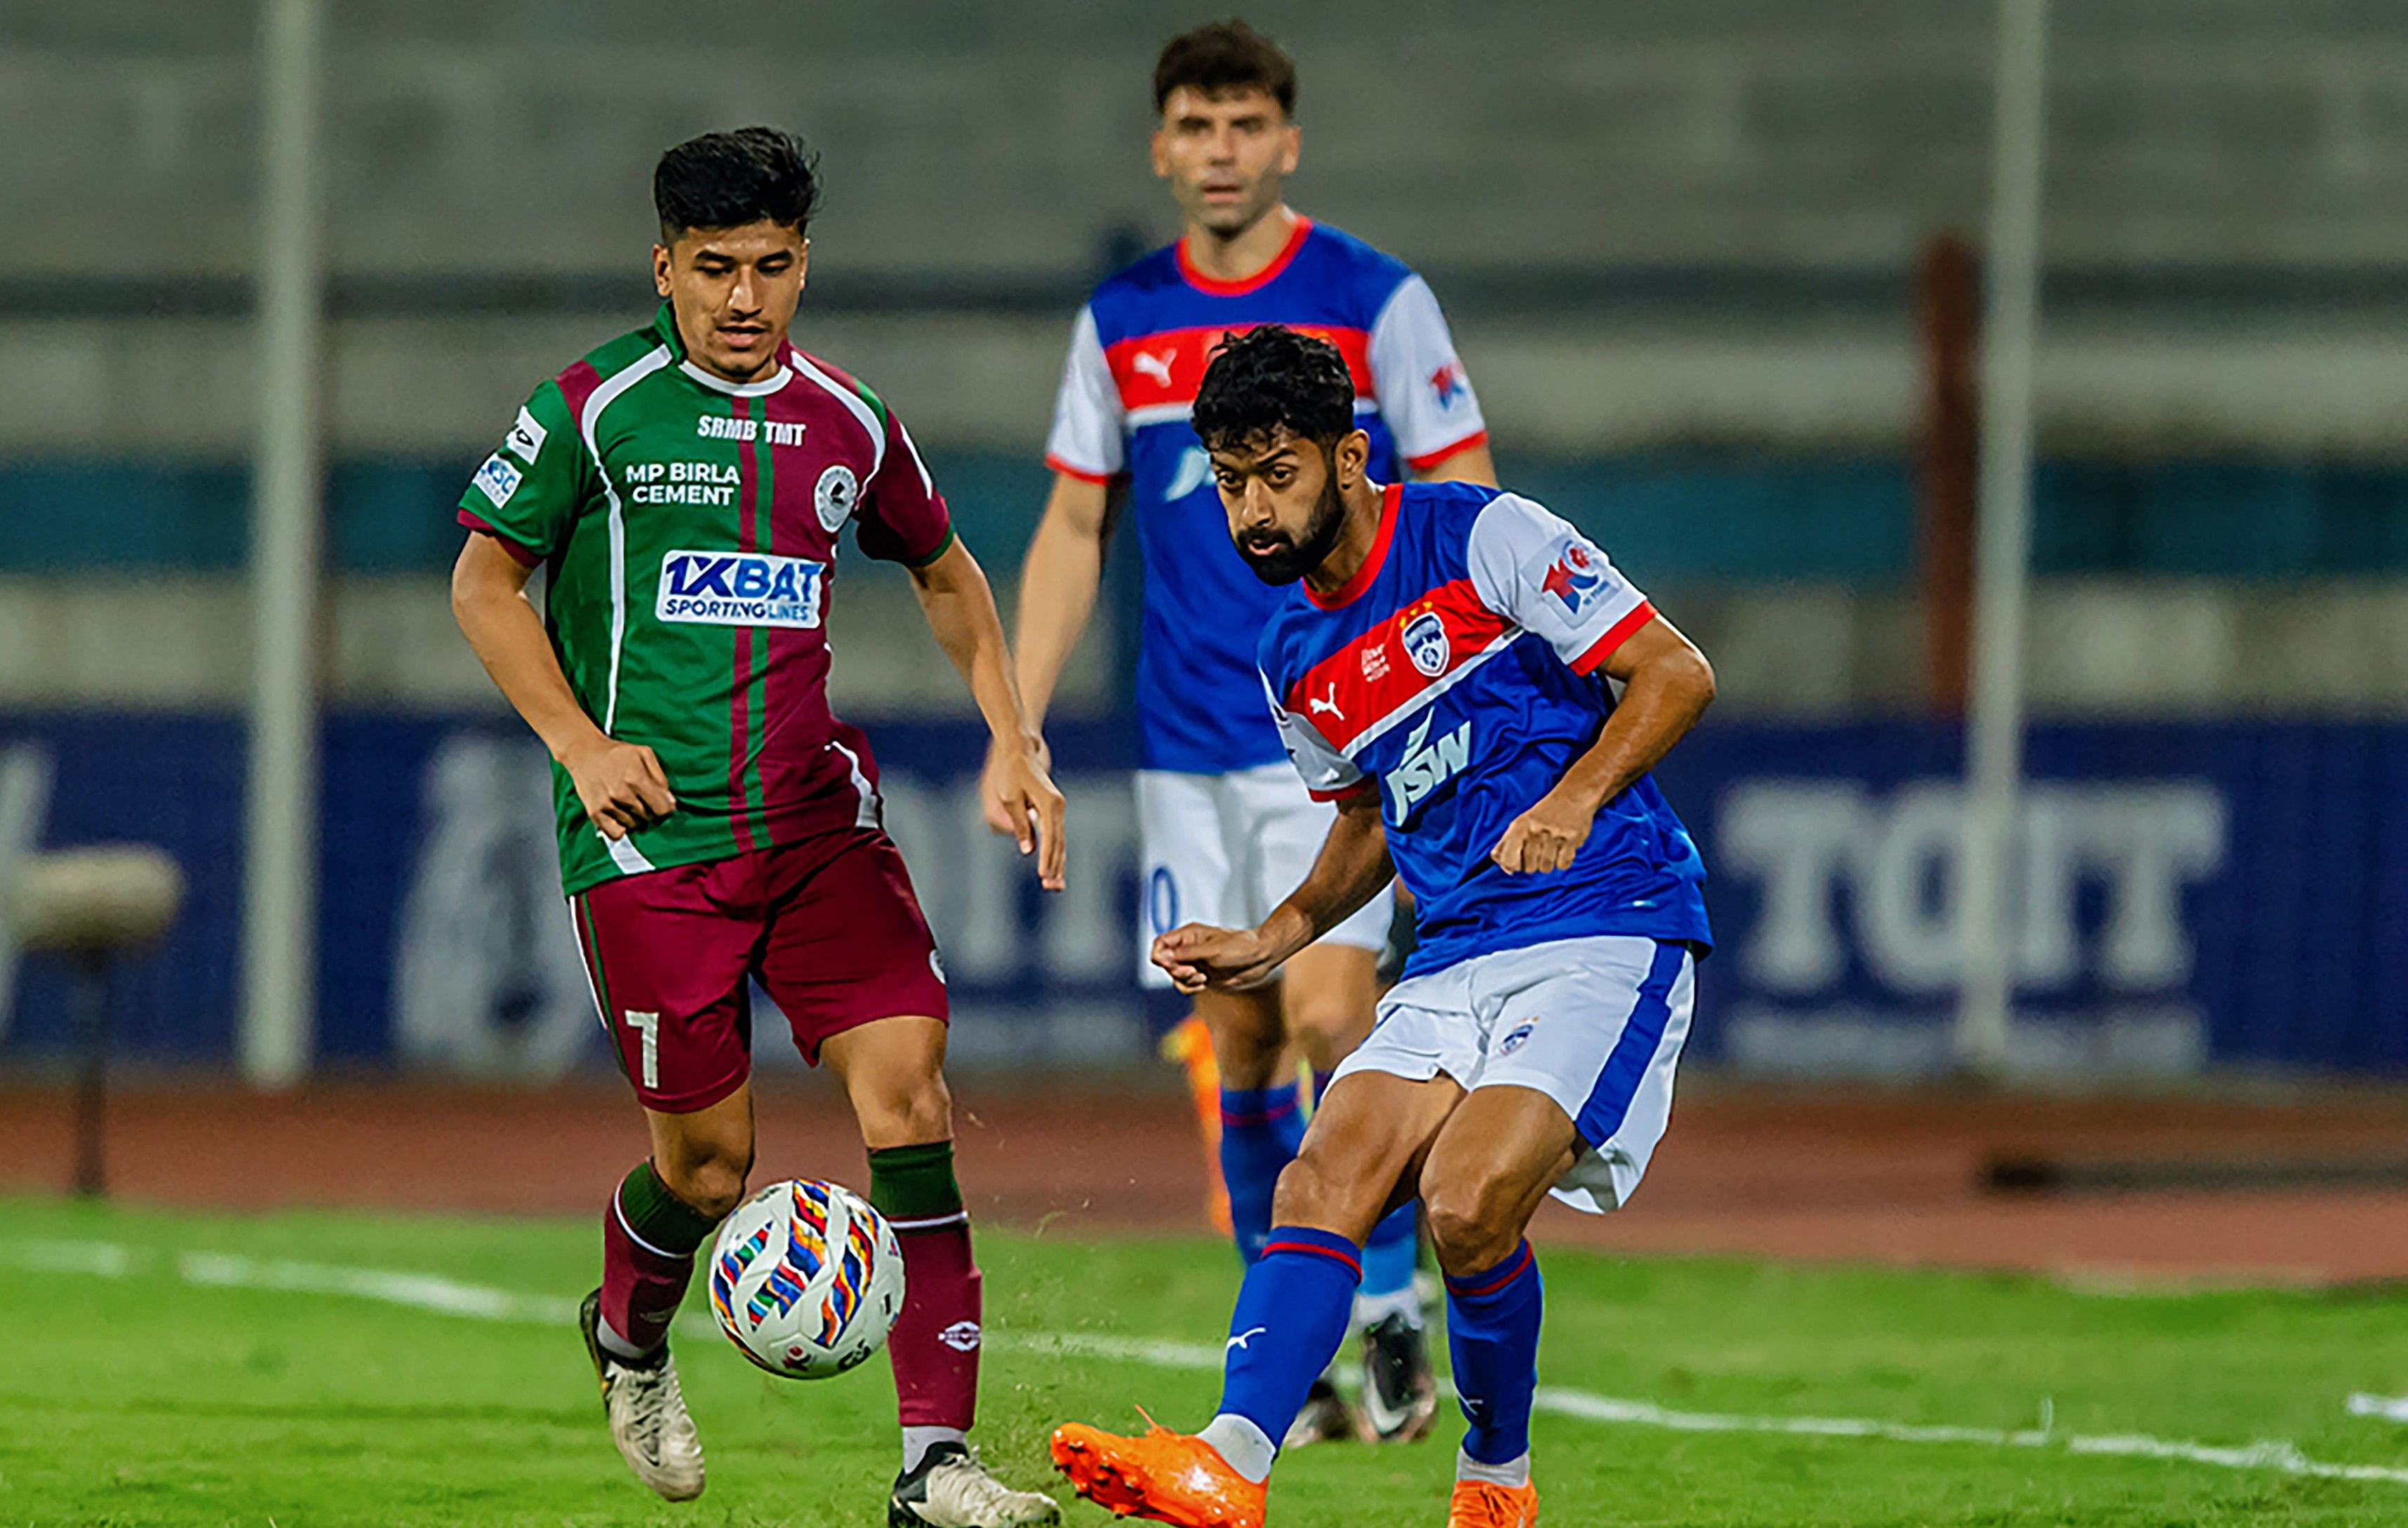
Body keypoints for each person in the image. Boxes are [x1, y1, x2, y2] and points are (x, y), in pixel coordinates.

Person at [448, 126, 1064, 1528]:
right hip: (650, 844)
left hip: (812, 830)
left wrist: (1013, 734)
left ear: (803, 266)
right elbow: (485, 584)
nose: (743, 299)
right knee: (708, 1168)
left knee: (908, 1097)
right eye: (714, 269)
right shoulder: (595, 407)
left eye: (771, 269)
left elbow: (951, 576)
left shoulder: (850, 421)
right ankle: (627, 1335)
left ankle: (934, 1467)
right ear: (662, 267)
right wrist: (579, 742)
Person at [1048, 326, 1715, 1528]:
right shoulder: (1292, 652)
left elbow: (1675, 671)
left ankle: (1495, 1484)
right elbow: (1368, 814)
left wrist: (1573, 797)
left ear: (1349, 455)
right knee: (1321, 1178)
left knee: (1464, 1201)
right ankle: (1229, 1464)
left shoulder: (1480, 534)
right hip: (1456, 947)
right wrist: (1278, 932)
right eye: (1233, 481)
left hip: (1603, 924)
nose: (1253, 508)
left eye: (1279, 473)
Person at [1012, 18, 1497, 1446]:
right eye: (1194, 126)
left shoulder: (1376, 299)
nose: (1219, 151)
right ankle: (1277, 1366)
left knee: (1337, 1012)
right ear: (1161, 148)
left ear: (1284, 140)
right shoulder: (1119, 322)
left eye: (1244, 125)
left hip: (1345, 727)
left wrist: (1449, 677)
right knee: (1236, 1045)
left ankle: (1394, 1311)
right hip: (1183, 745)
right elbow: (1071, 518)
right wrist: (1015, 721)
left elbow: (1461, 487)